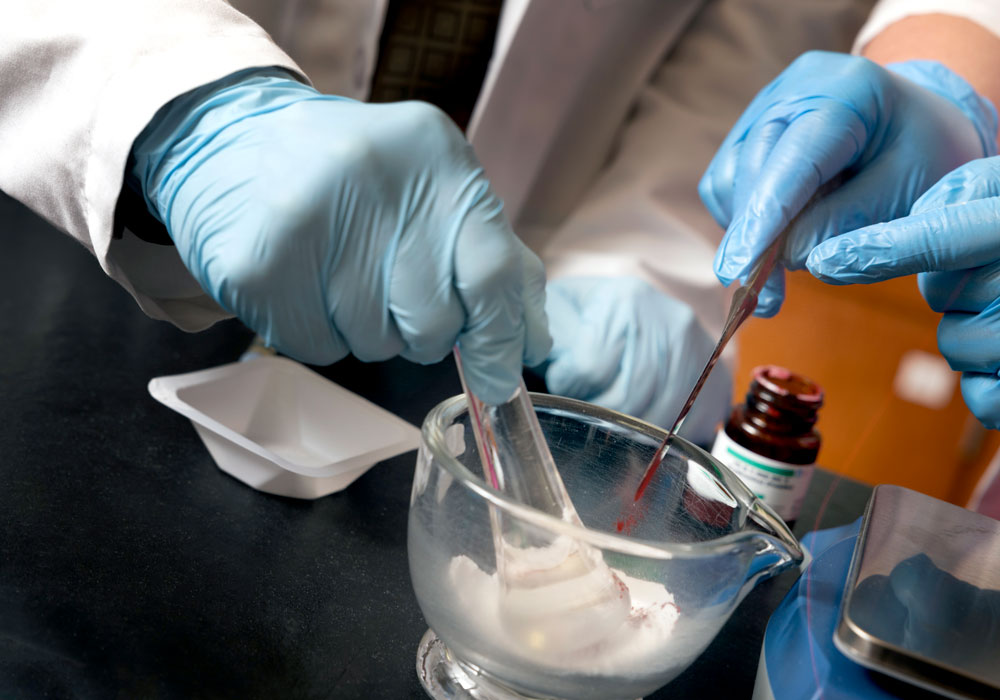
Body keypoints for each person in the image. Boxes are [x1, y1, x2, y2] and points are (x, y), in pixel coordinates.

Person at [3, 0, 955, 445]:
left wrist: (645, 259)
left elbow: (752, 24)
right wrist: (177, 105)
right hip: (83, 207)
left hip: (478, 329)